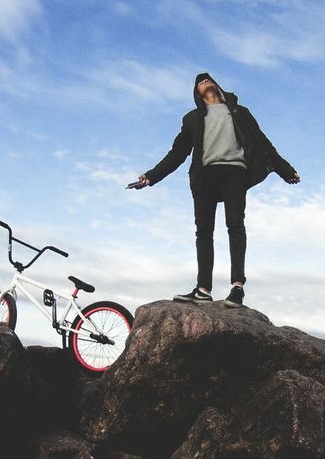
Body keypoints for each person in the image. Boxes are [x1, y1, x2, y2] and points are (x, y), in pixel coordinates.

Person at [128, 72, 300, 308]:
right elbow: (177, 153)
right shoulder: (192, 119)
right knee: (203, 231)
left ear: (217, 85)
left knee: (235, 225)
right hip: (204, 177)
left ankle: (237, 287)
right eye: (199, 81)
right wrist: (150, 176)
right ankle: (203, 289)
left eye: (207, 79)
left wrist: (285, 170)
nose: (204, 81)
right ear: (196, 93)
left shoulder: (239, 112)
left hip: (234, 172)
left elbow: (262, 142)